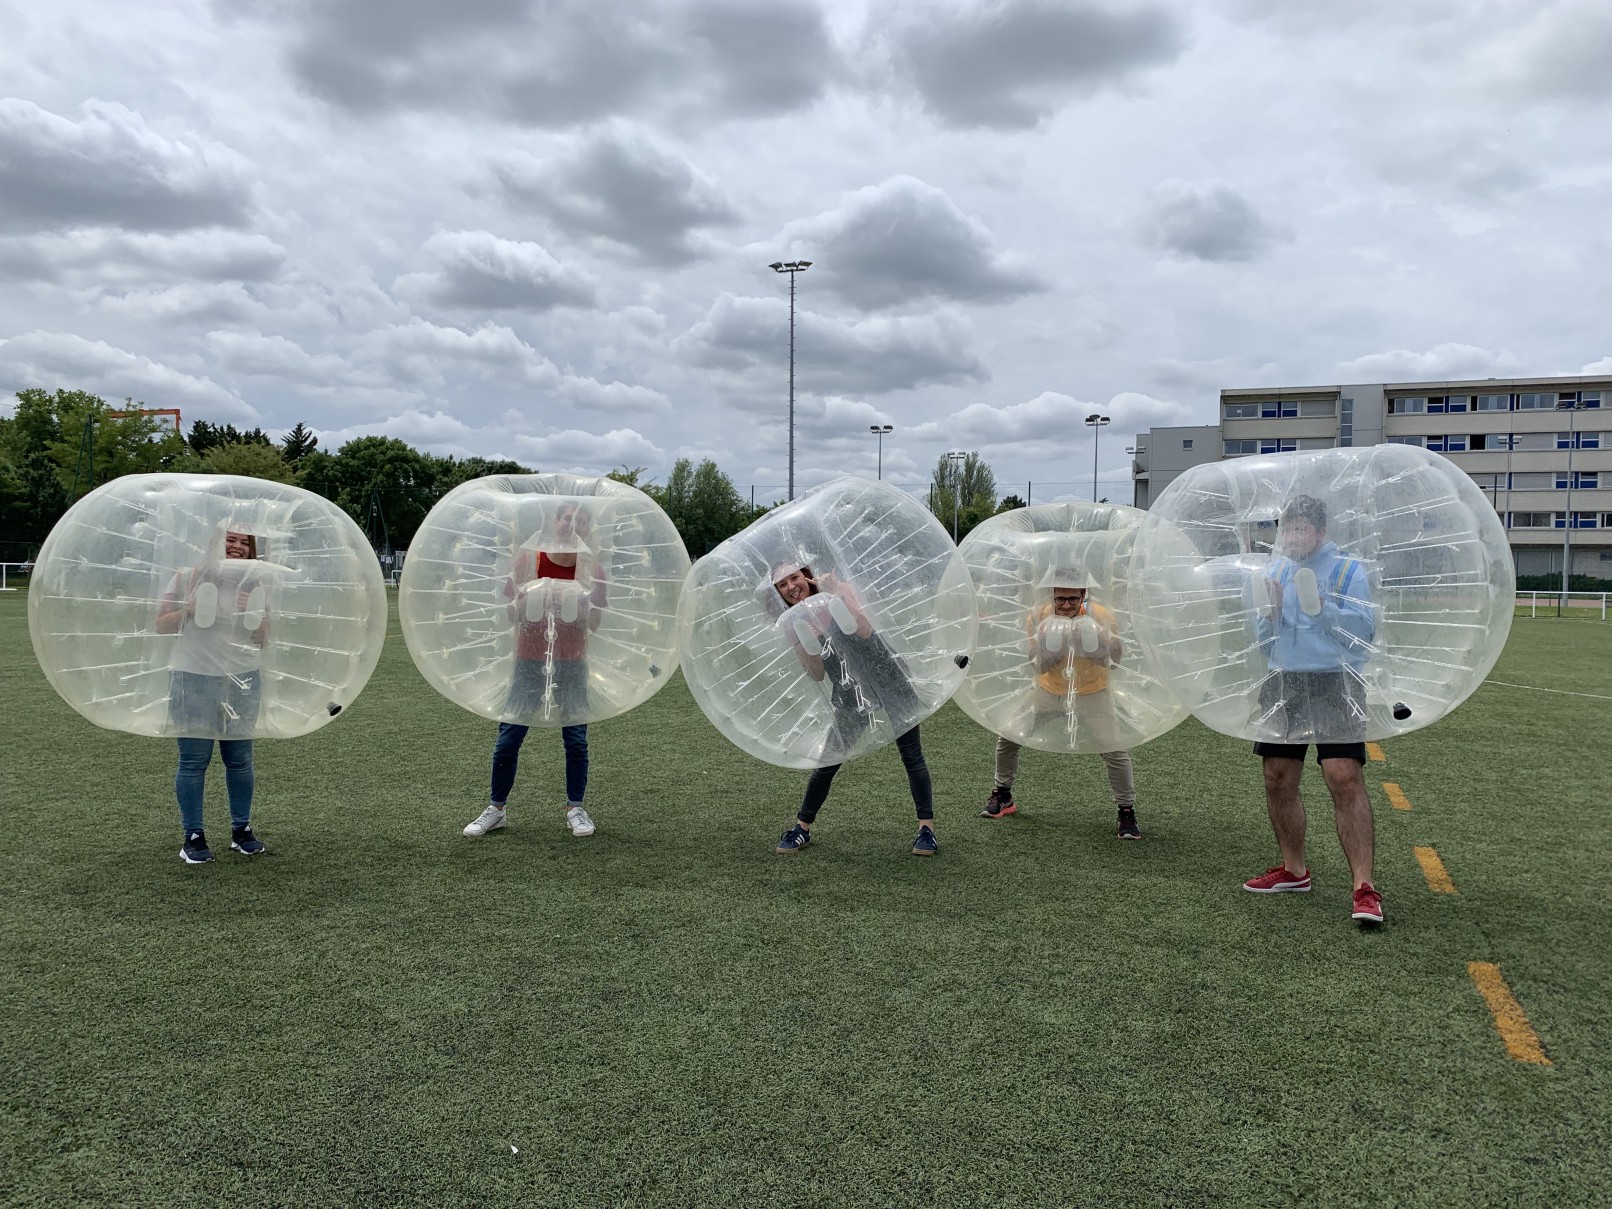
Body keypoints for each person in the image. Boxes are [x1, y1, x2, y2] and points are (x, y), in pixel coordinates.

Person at [1240, 495, 1383, 924]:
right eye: (1288, 529)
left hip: (1334, 680)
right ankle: (1294, 870)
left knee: (1343, 776)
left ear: (1321, 532)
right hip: (1285, 678)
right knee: (1278, 777)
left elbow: (1364, 632)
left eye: (1302, 529)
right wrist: (1271, 615)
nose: (1293, 537)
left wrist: (1321, 609)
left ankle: (1364, 887)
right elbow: (1264, 640)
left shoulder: (1346, 570)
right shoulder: (1277, 570)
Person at [768, 562, 938, 857]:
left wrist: (837, 597)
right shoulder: (793, 623)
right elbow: (817, 674)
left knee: (911, 755)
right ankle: (802, 829)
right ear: (779, 593)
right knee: (828, 761)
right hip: (850, 693)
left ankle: (927, 830)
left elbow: (865, 631)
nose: (791, 586)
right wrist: (808, 640)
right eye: (782, 584)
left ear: (806, 575)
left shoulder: (838, 592)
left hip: (889, 679)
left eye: (794, 577)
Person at [464, 500, 606, 840]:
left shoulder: (592, 568)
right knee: (509, 736)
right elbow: (510, 614)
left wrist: (575, 603)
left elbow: (597, 622)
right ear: (555, 521)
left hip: (572, 662)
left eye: (580, 521)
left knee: (575, 739)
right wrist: (535, 599)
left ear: (587, 529)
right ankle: (496, 808)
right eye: (568, 519)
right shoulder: (528, 561)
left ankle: (576, 808)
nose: (573, 526)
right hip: (529, 661)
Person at [980, 570, 1141, 839]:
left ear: (1083, 596)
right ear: (1052, 596)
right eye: (1060, 599)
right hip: (1049, 690)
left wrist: (1092, 643)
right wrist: (1051, 648)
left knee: (1114, 749)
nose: (1066, 605)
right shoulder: (1039, 615)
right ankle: (1003, 794)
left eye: (1072, 599)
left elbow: (1116, 658)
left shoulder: (1100, 616)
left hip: (1091, 692)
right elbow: (1036, 662)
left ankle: (1126, 811)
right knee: (1008, 736)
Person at [154, 527, 270, 864]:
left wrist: (257, 615)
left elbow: (263, 638)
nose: (236, 547)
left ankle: (241, 831)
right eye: (229, 540)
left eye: (243, 542)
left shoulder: (255, 584)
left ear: (251, 550)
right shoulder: (187, 577)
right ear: (215, 544)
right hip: (193, 676)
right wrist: (188, 610)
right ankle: (193, 835)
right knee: (193, 760)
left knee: (240, 759)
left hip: (243, 678)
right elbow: (161, 624)